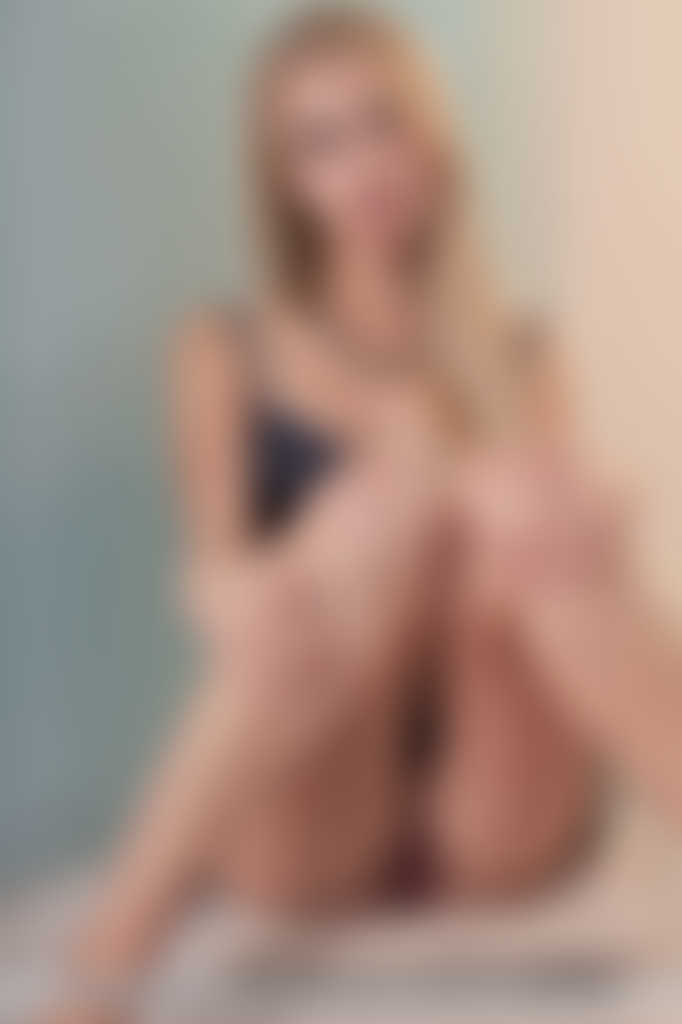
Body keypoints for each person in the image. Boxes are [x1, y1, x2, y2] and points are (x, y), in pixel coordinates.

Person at [49, 7, 682, 1021]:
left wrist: (593, 526)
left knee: (522, 507)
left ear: (430, 140)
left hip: (495, 812)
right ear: (286, 182)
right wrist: (256, 583)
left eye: (382, 123)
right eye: (321, 142)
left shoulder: (521, 353)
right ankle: (114, 947)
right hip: (314, 809)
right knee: (381, 508)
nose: (362, 166)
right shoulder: (226, 347)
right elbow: (211, 568)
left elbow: (572, 602)